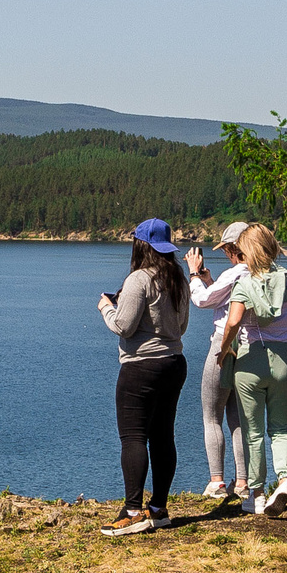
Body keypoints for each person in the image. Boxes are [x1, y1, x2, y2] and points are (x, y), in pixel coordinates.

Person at [221, 224, 287, 517]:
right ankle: (284, 484)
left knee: (252, 432)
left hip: (250, 362)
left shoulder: (243, 284)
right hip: (285, 362)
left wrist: (224, 350)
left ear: (249, 251)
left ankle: (256, 496)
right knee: (281, 428)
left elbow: (232, 323)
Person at [97, 219, 189, 536]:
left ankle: (133, 511)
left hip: (140, 367)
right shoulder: (178, 278)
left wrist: (107, 308)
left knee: (133, 437)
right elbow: (182, 327)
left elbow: (123, 326)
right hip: (174, 363)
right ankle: (159, 508)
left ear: (140, 245)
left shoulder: (138, 280)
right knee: (163, 435)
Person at [184, 222, 251, 502]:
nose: (225, 255)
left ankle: (217, 481)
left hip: (224, 345)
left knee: (212, 415)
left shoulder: (237, 271)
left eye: (226, 250)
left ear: (235, 248)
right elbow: (226, 300)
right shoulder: (259, 273)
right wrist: (211, 280)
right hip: (249, 348)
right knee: (239, 419)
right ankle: (243, 482)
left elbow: (202, 300)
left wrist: (193, 274)